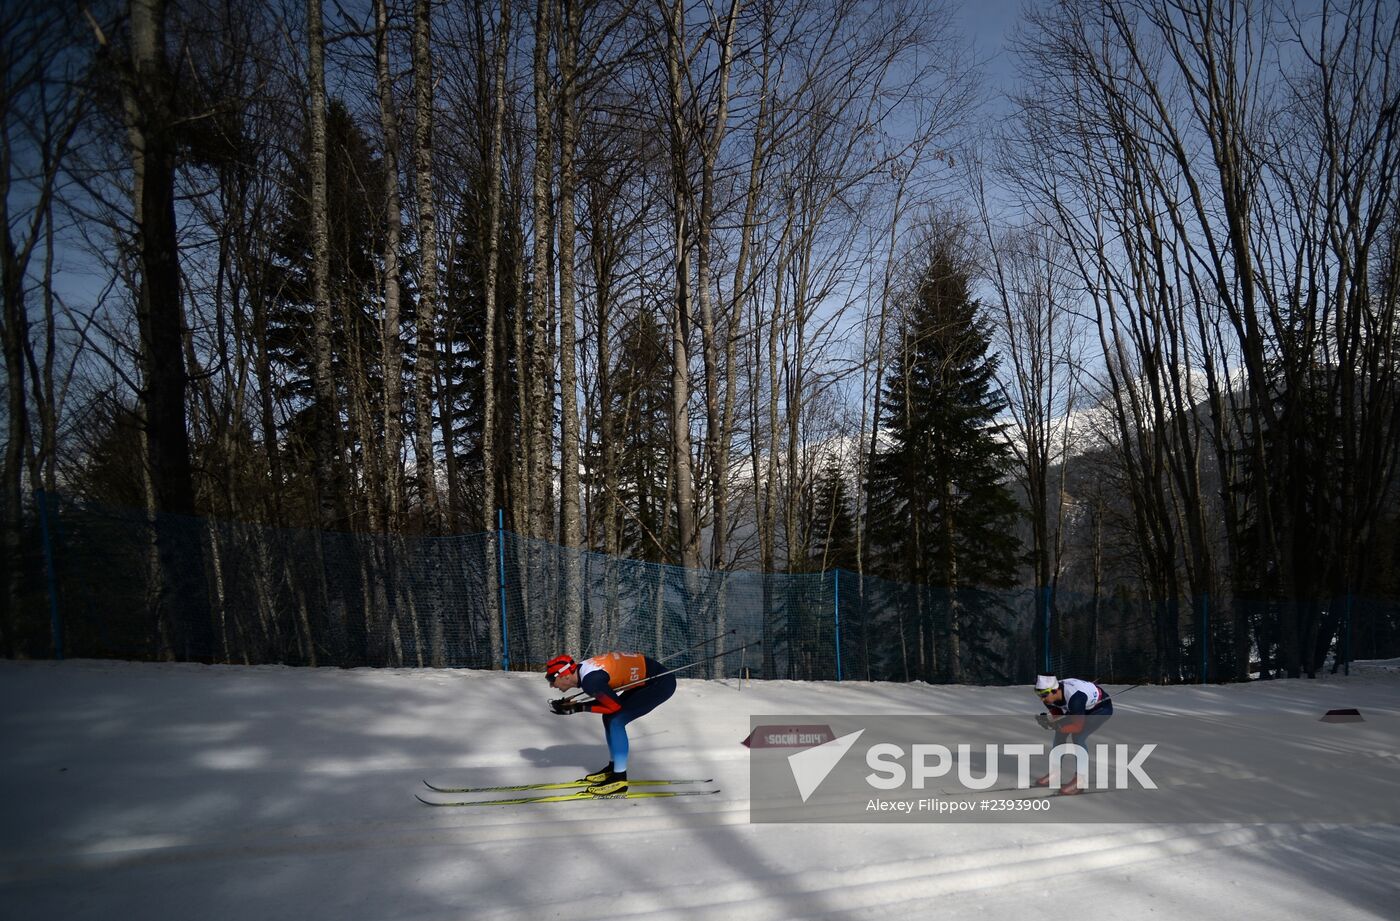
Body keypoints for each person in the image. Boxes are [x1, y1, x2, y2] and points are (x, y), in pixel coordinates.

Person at [545, 651, 677, 795]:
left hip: (659, 683)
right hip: (646, 679)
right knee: (609, 717)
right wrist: (576, 706)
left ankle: (619, 780)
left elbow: (613, 706)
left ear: (564, 675)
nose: (552, 685)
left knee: (616, 720)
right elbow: (609, 701)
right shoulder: (585, 672)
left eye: (551, 679)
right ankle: (614, 768)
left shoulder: (590, 681)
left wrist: (578, 708)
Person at [1033, 674, 1113, 795]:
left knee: (1078, 737)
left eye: (1044, 695)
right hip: (1080, 707)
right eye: (1039, 695)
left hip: (1100, 709)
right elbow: (1058, 717)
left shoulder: (1075, 698)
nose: (1042, 699)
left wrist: (1057, 726)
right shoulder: (1049, 695)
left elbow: (1077, 727)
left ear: (1055, 690)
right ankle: (1055, 773)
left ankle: (1080, 781)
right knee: (1059, 734)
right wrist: (1052, 724)